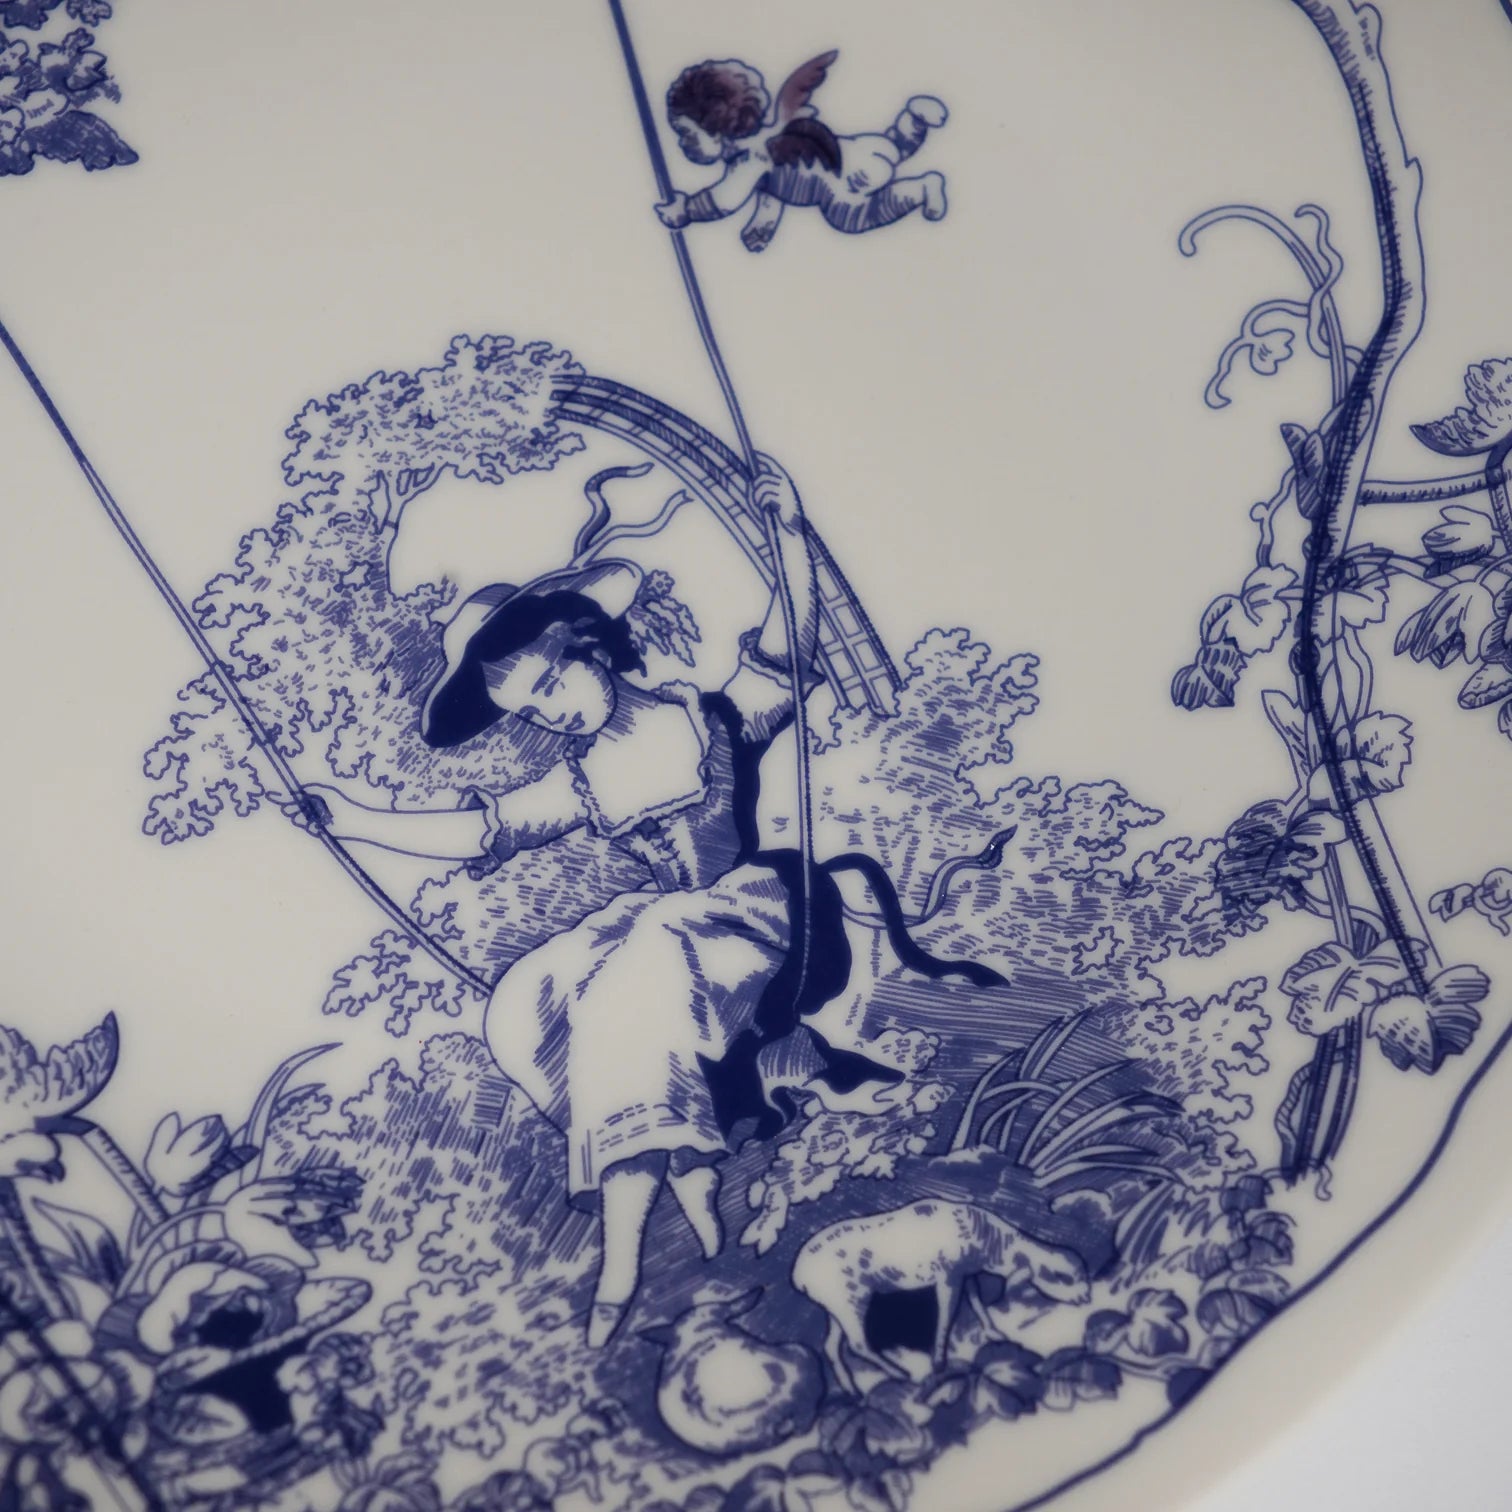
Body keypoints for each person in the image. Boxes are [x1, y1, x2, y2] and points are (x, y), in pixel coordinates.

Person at [307, 456, 993, 1345]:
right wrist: (353, 820)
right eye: (530, 710)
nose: (550, 714)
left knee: (650, 948)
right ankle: (680, 1145)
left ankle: (627, 1246)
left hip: (766, 921)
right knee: (527, 999)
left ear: (590, 646)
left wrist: (790, 537)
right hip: (678, 945)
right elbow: (481, 831)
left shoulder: (710, 715)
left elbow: (789, 646)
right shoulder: (581, 783)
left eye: (550, 685)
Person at [654, 53, 948, 251]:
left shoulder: (749, 161)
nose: (683, 143)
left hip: (842, 184)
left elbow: (724, 200)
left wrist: (686, 211)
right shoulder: (764, 146)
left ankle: (920, 189)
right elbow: (775, 189)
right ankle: (914, 120)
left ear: (715, 131)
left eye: (687, 134)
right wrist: (763, 226)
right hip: (858, 150)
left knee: (854, 218)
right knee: (894, 147)